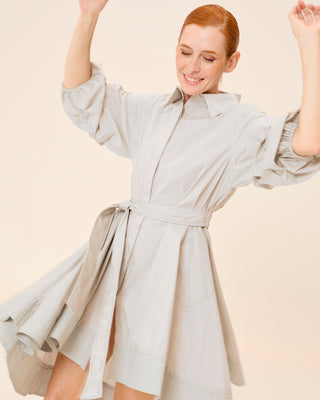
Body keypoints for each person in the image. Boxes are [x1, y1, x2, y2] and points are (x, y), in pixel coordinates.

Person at [1, 1, 320, 400]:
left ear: (231, 62)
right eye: (185, 52)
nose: (193, 67)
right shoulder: (152, 111)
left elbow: (308, 144)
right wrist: (89, 16)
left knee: (135, 390)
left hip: (170, 273)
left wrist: (310, 44)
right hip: (114, 262)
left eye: (208, 57)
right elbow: (82, 95)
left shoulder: (240, 126)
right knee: (62, 388)